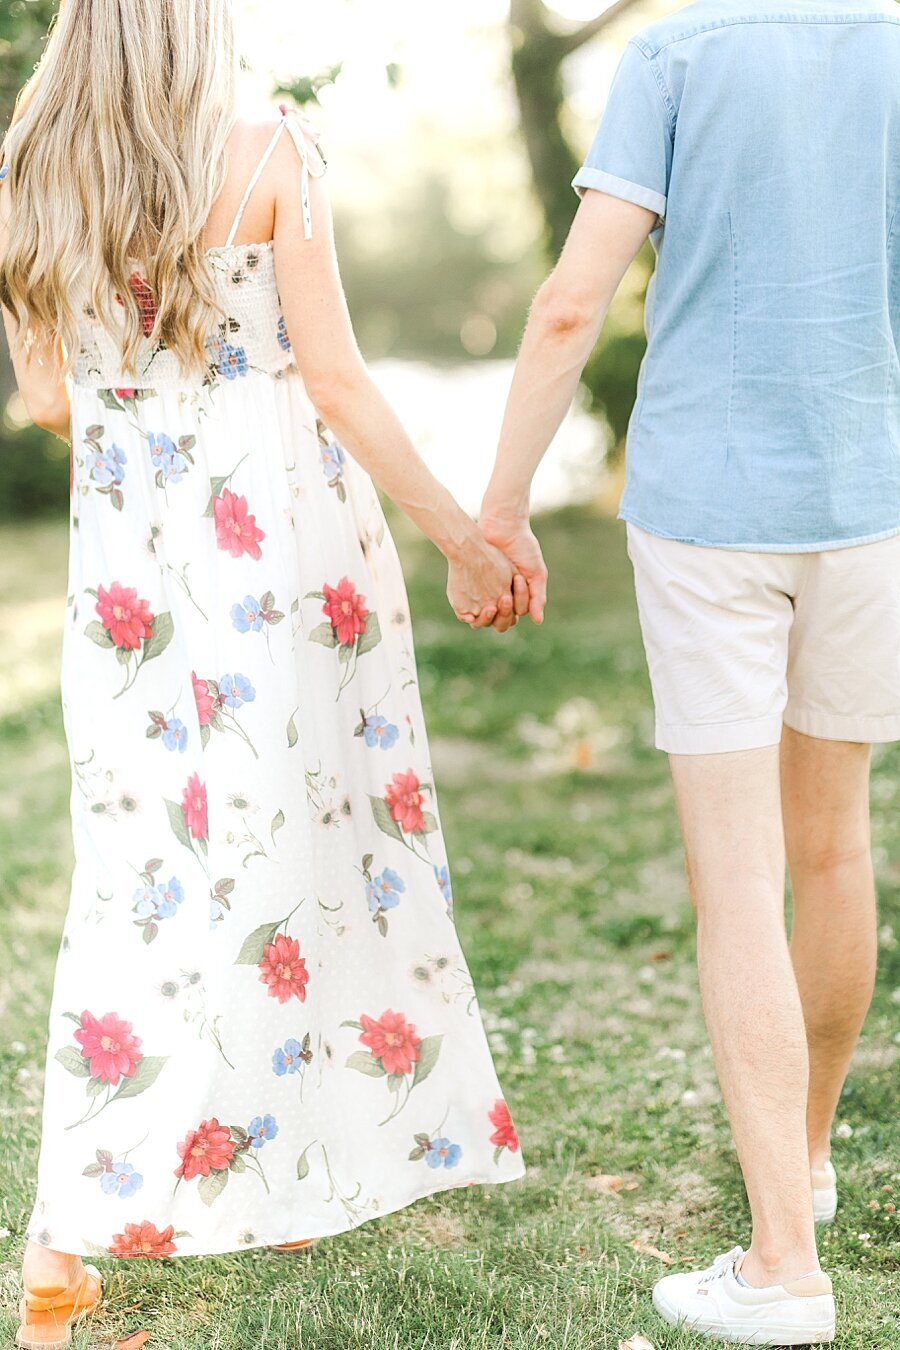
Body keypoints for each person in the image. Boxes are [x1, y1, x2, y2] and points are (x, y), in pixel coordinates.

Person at [0, 2, 530, 1345]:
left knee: (141, 875)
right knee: (299, 848)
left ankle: (74, 1233)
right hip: (289, 561)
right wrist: (461, 532)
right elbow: (339, 383)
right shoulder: (271, 156)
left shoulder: (27, 166)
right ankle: (291, 1146)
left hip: (135, 583)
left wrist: (144, 386)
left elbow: (49, 399)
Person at [479, 0, 900, 1343]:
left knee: (740, 879)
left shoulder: (675, 54)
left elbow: (566, 306)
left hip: (711, 508)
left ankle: (782, 1263)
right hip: (873, 497)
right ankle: (809, 1164)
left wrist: (496, 510)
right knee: (835, 847)